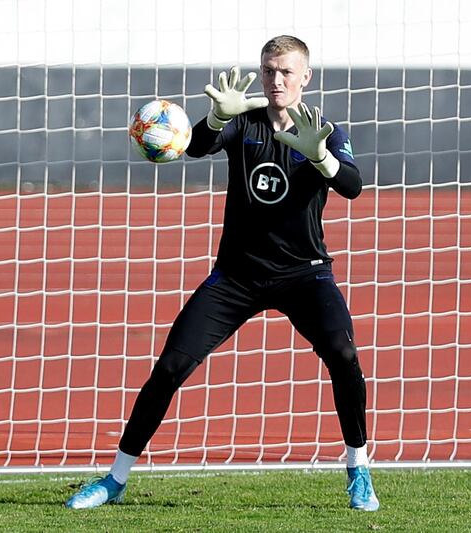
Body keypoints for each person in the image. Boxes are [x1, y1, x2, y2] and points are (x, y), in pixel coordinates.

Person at [66, 35, 378, 512]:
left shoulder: (325, 131)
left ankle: (358, 470)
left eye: (286, 72)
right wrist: (216, 117)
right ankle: (114, 479)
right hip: (237, 276)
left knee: (344, 352)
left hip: (304, 274)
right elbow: (197, 148)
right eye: (269, 70)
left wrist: (321, 155)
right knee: (170, 366)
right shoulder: (245, 122)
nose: (276, 80)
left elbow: (353, 186)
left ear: (305, 76)